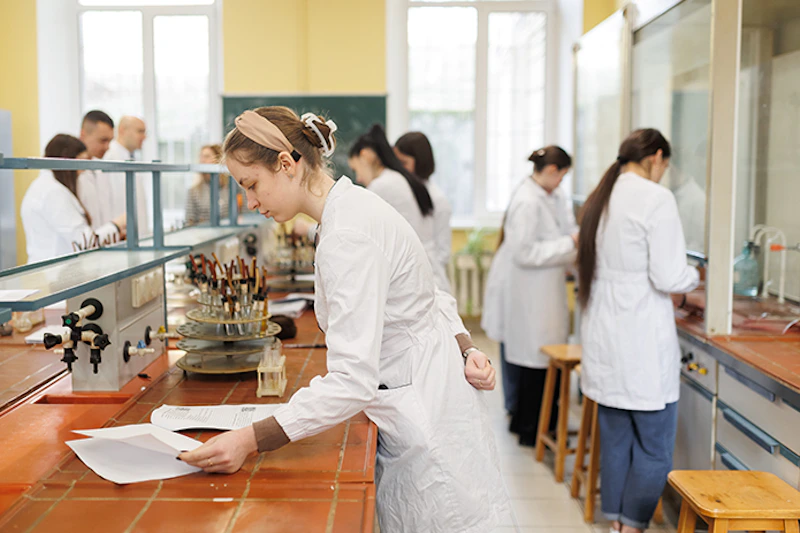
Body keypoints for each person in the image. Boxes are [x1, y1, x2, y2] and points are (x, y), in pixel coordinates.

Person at [178, 107, 509, 532]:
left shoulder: (349, 233)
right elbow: (431, 294)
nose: (252, 202)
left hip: (428, 420)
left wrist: (250, 439)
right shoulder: (350, 209)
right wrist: (466, 345)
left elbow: (354, 380)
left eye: (252, 185)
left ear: (286, 164)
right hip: (423, 395)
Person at [577, 129, 700, 533]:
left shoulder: (602, 196)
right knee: (655, 451)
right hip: (642, 341)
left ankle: (615, 523)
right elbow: (667, 274)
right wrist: (694, 275)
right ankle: (633, 526)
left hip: (605, 337)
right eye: (665, 165)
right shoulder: (655, 198)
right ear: (657, 157)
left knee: (615, 442)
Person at [481, 146, 578, 444]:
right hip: (530, 292)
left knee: (541, 359)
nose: (562, 182)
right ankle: (530, 429)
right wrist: (568, 244)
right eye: (561, 175)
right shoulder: (527, 201)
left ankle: (539, 424)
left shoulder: (553, 195)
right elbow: (524, 252)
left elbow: (565, 227)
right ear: (551, 171)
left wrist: (569, 244)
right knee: (532, 361)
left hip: (544, 290)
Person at [348, 125, 450, 292]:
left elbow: (357, 229)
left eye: (355, 170)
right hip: (422, 274)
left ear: (365, 155)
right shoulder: (396, 180)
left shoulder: (383, 185)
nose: (358, 178)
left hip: (422, 277)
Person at [21, 134, 125, 263]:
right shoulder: (53, 192)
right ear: (66, 163)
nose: (81, 172)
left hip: (54, 272)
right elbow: (85, 242)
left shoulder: (47, 187)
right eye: (78, 166)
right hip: (52, 274)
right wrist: (117, 225)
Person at [394, 131, 452, 293]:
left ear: (421, 162)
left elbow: (443, 252)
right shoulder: (399, 193)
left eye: (404, 163)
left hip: (431, 280)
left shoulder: (438, 200)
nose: (399, 169)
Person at [102, 115, 149, 236]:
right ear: (122, 130)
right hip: (120, 235)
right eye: (140, 131)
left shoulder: (131, 158)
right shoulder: (110, 158)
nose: (144, 137)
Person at [76, 110, 115, 229]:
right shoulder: (71, 174)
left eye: (110, 141)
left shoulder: (100, 171)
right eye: (103, 140)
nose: (107, 147)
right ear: (83, 136)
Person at [185, 144, 231, 226]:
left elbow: (246, 215)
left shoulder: (233, 188)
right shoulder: (194, 191)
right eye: (201, 157)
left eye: (206, 156)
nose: (202, 160)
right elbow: (189, 221)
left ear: (218, 159)